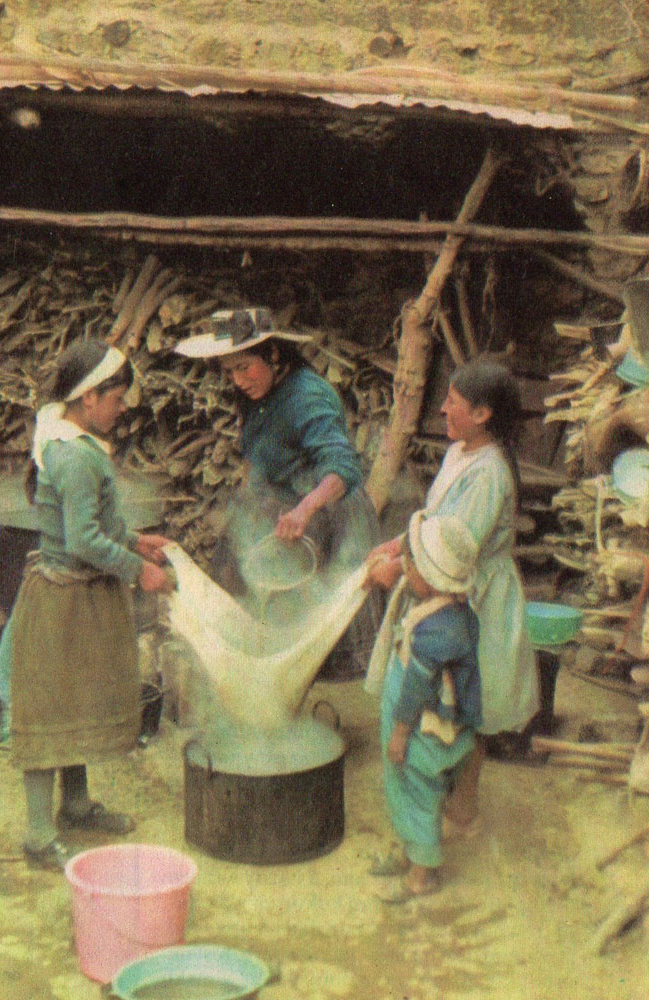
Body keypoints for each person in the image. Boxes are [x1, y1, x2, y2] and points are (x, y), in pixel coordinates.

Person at [0, 338, 174, 870]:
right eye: (117, 398)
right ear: (89, 397)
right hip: (61, 598)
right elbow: (82, 542)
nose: (122, 409)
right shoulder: (74, 456)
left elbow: (98, 523)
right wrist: (138, 571)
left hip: (79, 595)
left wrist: (136, 539)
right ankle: (36, 831)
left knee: (73, 704)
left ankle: (73, 805)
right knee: (49, 710)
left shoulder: (73, 439)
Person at [365, 358, 539, 838]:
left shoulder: (489, 474)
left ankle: (463, 806)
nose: (442, 408)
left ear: (483, 414)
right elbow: (434, 522)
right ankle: (439, 793)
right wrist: (399, 544)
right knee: (442, 700)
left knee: (466, 706)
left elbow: (457, 548)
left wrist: (399, 568)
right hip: (443, 584)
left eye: (453, 403)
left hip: (472, 598)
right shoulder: (460, 453)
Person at [174, 307, 383, 680]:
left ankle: (325, 705)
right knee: (255, 606)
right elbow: (258, 456)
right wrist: (248, 504)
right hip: (284, 507)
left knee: (326, 635)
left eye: (244, 368)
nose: (238, 380)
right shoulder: (258, 395)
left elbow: (342, 467)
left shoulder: (307, 395)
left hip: (330, 511)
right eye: (229, 371)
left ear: (272, 354)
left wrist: (305, 509)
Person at [364, 509, 482, 900]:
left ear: (430, 578)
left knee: (418, 791)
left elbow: (416, 688)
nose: (404, 569)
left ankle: (422, 875)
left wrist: (399, 734)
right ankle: (414, 852)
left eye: (409, 564)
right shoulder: (454, 612)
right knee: (407, 788)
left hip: (421, 726)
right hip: (430, 720)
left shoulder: (437, 632)